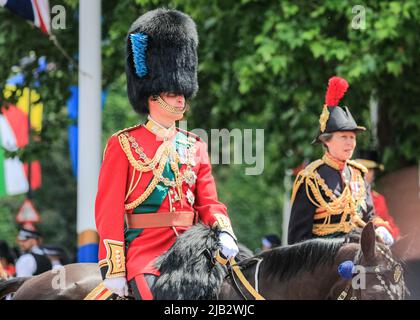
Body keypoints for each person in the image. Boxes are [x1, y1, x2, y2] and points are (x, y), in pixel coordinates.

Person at [95, 8, 239, 300]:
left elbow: (209, 202)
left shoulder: (194, 145)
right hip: (146, 254)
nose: (180, 98)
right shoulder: (123, 143)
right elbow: (108, 212)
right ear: (152, 95)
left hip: (194, 252)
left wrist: (224, 230)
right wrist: (114, 269)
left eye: (182, 93)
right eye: (173, 92)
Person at [288, 76, 394, 246]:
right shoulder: (311, 178)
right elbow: (298, 239)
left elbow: (369, 216)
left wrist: (379, 227)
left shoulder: (358, 174)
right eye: (344, 137)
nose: (350, 142)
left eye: (352, 137)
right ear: (326, 140)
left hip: (359, 254)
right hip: (323, 261)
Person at [355, 150, 400, 240]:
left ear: (374, 174)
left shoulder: (379, 199)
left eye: (370, 170)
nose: (365, 173)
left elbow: (388, 221)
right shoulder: (346, 194)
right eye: (362, 168)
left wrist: (396, 235)